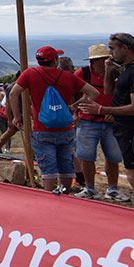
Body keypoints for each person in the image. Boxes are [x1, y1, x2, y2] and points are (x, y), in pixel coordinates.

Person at [77, 33, 134, 211]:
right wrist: (108, 72)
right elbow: (109, 90)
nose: (110, 54)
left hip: (133, 130)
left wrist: (102, 110)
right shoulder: (126, 69)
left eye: (112, 49)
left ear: (125, 48)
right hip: (121, 127)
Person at [11, 46, 98, 195]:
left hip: (42, 129)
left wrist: (17, 116)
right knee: (66, 167)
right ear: (55, 60)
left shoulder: (30, 74)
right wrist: (75, 107)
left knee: (48, 170)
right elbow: (93, 93)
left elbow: (13, 93)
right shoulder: (68, 76)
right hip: (65, 128)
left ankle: (50, 201)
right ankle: (64, 198)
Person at [71, 45, 129, 202]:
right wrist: (75, 112)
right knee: (86, 157)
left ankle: (112, 189)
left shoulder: (117, 74)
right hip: (87, 122)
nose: (106, 62)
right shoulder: (82, 74)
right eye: (103, 59)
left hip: (111, 122)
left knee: (113, 157)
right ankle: (90, 188)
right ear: (94, 61)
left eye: (107, 59)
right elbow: (72, 93)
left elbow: (125, 97)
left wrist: (115, 112)